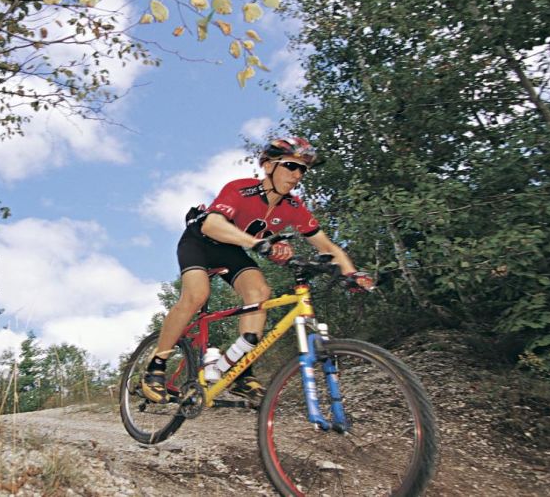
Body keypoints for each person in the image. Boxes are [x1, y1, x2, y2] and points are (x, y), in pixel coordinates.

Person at [141, 137, 375, 405]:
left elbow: (327, 245)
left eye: (302, 170)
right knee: (197, 295)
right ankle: (156, 366)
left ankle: (241, 372)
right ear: (268, 166)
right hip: (200, 241)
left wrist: (352, 273)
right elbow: (212, 225)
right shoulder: (241, 190)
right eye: (290, 166)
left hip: (232, 249)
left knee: (260, 292)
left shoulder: (294, 207)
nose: (296, 175)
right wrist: (258, 244)